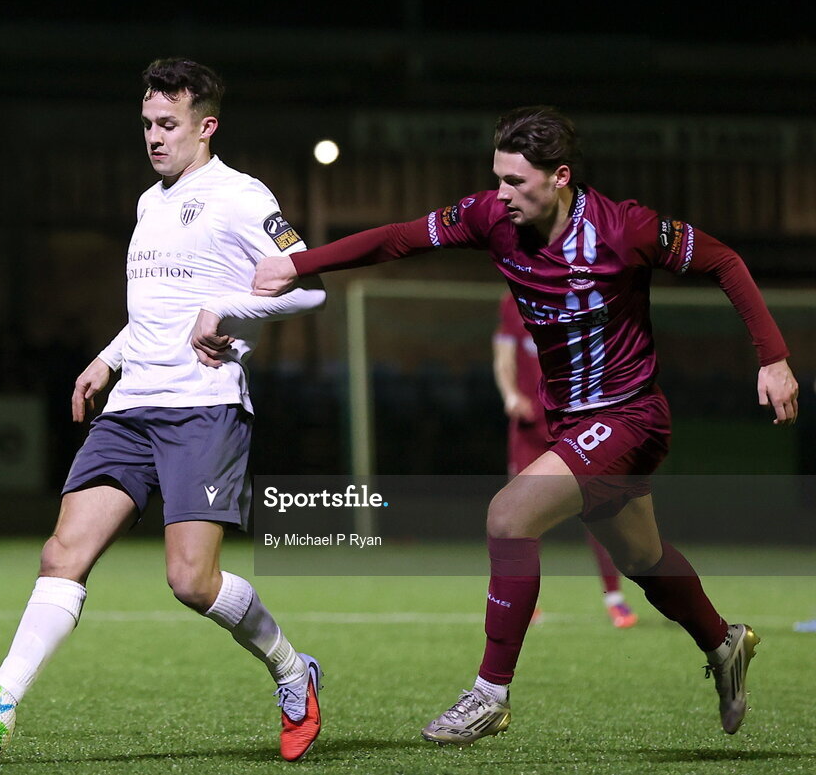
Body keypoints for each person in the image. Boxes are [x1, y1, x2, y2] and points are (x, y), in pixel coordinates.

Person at [252, 106, 798, 745]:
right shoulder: (492, 218)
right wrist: (301, 263)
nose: (501, 195)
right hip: (573, 424)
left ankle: (489, 695)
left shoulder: (627, 229)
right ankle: (723, 640)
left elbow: (725, 261)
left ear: (560, 177)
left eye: (516, 182)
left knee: (509, 515)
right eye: (498, 179)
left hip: (630, 416)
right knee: (641, 556)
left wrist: (774, 358)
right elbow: (400, 237)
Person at [0, 58, 327, 762]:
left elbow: (309, 287)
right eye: (147, 124)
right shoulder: (149, 202)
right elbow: (157, 312)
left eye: (168, 124)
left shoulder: (241, 196)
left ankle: (290, 668)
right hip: (131, 406)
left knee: (191, 580)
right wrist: (109, 356)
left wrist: (228, 311)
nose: (154, 137)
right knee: (62, 551)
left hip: (202, 406)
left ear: (206, 126)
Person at [493, 291, 637, 628]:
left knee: (598, 509)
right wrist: (511, 395)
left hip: (576, 427)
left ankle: (614, 598)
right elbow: (503, 358)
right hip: (529, 430)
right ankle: (523, 603)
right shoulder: (511, 301)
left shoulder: (585, 298)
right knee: (519, 515)